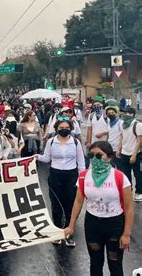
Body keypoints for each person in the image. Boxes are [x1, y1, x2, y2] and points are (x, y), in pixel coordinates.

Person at [64, 141, 134, 276]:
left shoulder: (120, 177)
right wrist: (71, 226)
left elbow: (129, 207)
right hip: (92, 225)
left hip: (115, 225)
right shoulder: (84, 176)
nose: (94, 159)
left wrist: (126, 234)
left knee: (115, 263)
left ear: (109, 157)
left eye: (99, 155)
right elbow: (78, 202)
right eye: (91, 156)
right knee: (95, 263)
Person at [37, 118, 85, 247]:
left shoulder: (75, 142)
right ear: (56, 129)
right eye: (61, 127)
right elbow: (46, 158)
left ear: (70, 129)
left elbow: (81, 162)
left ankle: (69, 233)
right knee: (56, 204)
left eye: (67, 127)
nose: (64, 129)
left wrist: (82, 179)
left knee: (70, 204)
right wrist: (35, 157)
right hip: (55, 175)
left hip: (71, 175)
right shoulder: (51, 142)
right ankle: (58, 233)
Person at [116, 106, 142, 201]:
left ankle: (139, 192)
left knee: (137, 174)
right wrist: (119, 149)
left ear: (132, 114)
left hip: (135, 153)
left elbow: (139, 141)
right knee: (125, 174)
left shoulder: (137, 125)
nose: (124, 114)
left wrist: (134, 155)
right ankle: (127, 191)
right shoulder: (123, 124)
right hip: (124, 153)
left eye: (126, 113)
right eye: (123, 112)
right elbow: (122, 137)